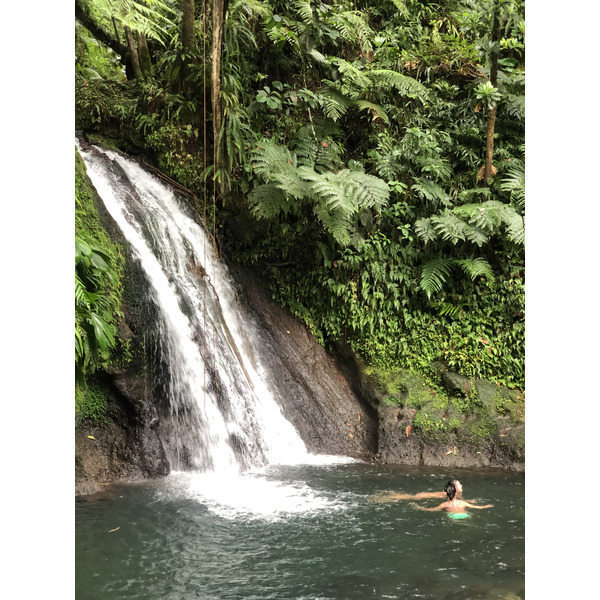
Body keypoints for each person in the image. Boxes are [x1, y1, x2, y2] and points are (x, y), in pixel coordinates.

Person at [411, 480, 493, 519]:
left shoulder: (445, 504)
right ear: (454, 489)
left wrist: (419, 507)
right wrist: (486, 506)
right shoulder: (462, 502)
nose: (461, 485)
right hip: (466, 515)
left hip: (452, 516)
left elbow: (433, 509)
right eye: (459, 484)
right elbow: (477, 507)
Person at [371, 479, 468, 503]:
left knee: (408, 496)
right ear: (454, 487)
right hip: (422, 496)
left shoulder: (453, 494)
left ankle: (389, 495)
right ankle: (388, 497)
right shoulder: (448, 494)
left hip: (423, 495)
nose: (461, 485)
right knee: (407, 497)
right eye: (459, 484)